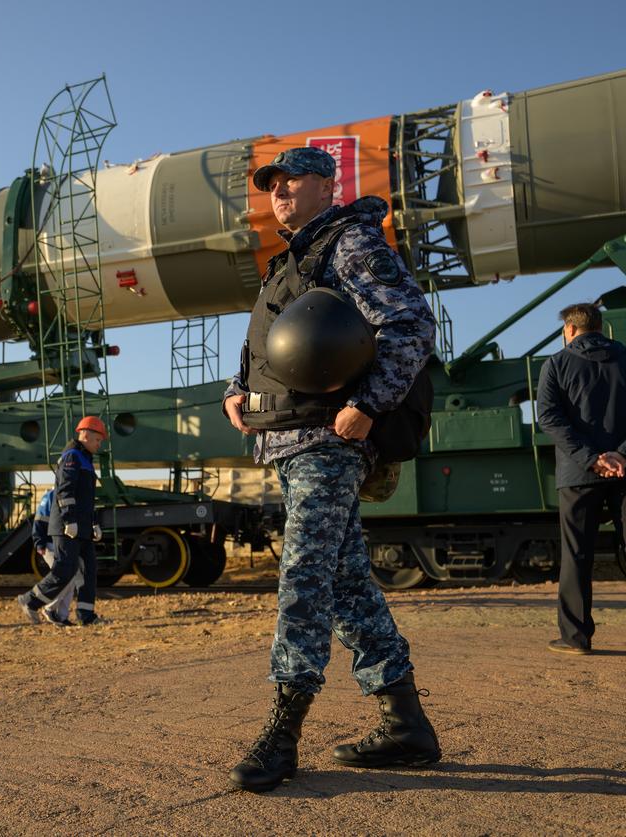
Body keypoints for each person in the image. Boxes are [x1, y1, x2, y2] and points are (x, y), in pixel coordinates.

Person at [222, 147, 441, 793]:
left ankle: (282, 733)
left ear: (328, 184)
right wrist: (236, 387)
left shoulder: (349, 243)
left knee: (305, 577)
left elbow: (409, 324)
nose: (281, 191)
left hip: (326, 440)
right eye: (273, 184)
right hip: (288, 438)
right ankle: (406, 725)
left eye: (294, 181)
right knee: (347, 585)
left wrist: (367, 407)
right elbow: (264, 344)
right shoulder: (291, 261)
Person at [535, 302, 626, 658]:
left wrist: (590, 459)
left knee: (576, 554)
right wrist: (625, 453)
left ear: (569, 330)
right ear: (601, 327)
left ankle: (575, 638)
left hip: (577, 475)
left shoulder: (556, 364)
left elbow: (549, 418)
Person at [17, 417, 107, 627]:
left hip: (82, 527)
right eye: (97, 439)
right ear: (84, 434)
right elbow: (65, 491)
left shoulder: (85, 459)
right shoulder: (72, 457)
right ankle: (30, 600)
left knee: (88, 570)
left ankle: (86, 615)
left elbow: (87, 498)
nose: (99, 444)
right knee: (65, 570)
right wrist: (69, 520)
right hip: (68, 527)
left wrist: (93, 523)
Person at [31, 488, 84, 627]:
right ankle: (50, 609)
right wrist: (39, 543)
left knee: (70, 579)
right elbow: (39, 519)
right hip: (50, 545)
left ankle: (61, 616)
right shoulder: (50, 496)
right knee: (65, 578)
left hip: (63, 546)